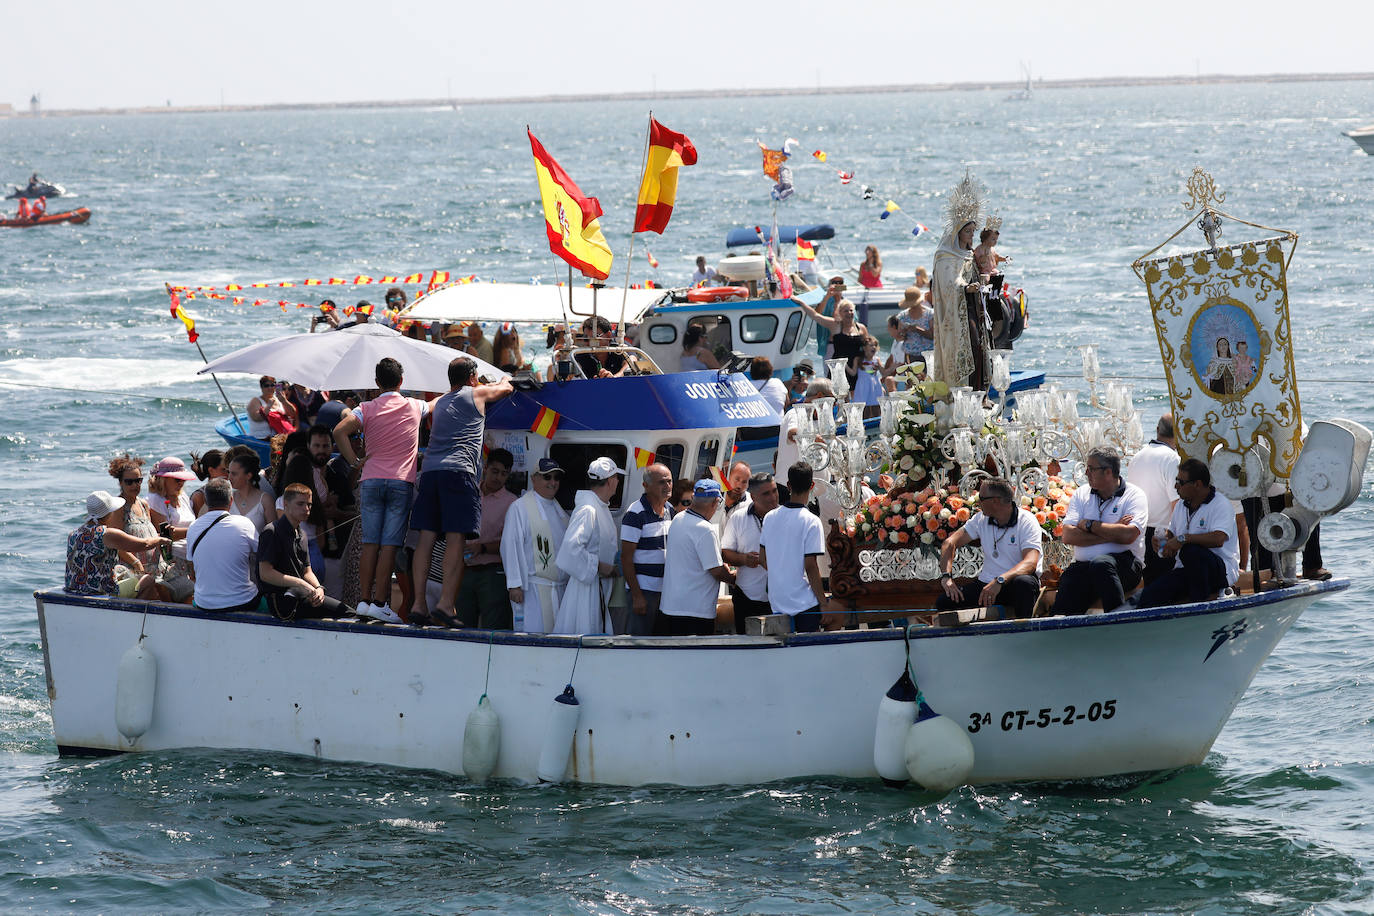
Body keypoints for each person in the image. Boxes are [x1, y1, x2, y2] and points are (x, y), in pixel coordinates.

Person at [405, 357, 514, 627]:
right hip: (459, 473)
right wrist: (504, 378)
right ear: (473, 377)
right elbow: (507, 389)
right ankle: (445, 605)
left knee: (426, 538)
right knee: (456, 538)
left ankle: (418, 604)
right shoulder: (476, 392)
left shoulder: (441, 402)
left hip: (430, 473)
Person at [333, 358, 429, 624]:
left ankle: (364, 601)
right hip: (400, 481)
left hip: (371, 479)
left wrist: (354, 461)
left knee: (370, 544)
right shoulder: (414, 406)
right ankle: (380, 603)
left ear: (377, 383)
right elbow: (434, 405)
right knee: (389, 546)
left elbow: (339, 431)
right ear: (401, 381)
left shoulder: (366, 408)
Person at [1050, 447, 1149, 615]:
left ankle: (1119, 620)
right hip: (1085, 567)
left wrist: (1090, 525)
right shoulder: (1082, 494)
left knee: (1101, 564)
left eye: (1091, 469)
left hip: (1125, 565)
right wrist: (1112, 531)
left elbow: (1128, 535)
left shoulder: (1134, 495)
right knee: (1071, 577)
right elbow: (1067, 535)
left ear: (1108, 472)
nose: (1086, 473)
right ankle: (1060, 629)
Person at [1138, 458, 1240, 608]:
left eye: (1180, 482)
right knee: (1149, 596)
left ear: (1197, 484)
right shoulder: (1181, 505)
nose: (1175, 486)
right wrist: (1164, 543)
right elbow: (1172, 535)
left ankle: (1201, 602)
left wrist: (1184, 539)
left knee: (1190, 551)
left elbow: (1219, 538)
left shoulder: (1220, 504)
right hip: (1186, 570)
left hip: (1219, 571)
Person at [937, 477, 1043, 620]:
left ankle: (1023, 633)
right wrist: (946, 577)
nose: (978, 502)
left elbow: (1030, 563)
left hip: (1013, 583)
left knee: (1023, 583)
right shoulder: (980, 519)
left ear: (995, 501)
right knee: (945, 601)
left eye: (981, 498)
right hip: (986, 585)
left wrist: (1000, 580)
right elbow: (949, 543)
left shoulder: (1027, 520)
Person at [257, 483, 352, 620]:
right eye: (300, 504)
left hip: (300, 594)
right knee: (345, 613)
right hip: (281, 601)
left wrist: (319, 588)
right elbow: (265, 573)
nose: (306, 509)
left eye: (309, 505)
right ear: (286, 504)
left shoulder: (302, 534)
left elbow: (307, 571)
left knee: (347, 612)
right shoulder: (272, 531)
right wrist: (300, 583)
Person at [553, 457, 624, 634]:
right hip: (587, 591)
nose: (618, 481)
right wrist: (600, 567)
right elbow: (570, 551)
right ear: (609, 481)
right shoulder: (588, 510)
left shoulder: (599, 507)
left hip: (596, 587)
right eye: (616, 477)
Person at [501, 458, 571, 633]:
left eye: (556, 478)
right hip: (532, 590)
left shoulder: (558, 509)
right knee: (533, 636)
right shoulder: (520, 508)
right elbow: (510, 545)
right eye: (547, 477)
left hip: (559, 589)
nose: (553, 482)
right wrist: (514, 584)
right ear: (534, 478)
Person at [759, 462, 828, 632]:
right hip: (805, 604)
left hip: (777, 603)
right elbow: (811, 566)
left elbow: (762, 559)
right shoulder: (812, 521)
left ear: (788, 485)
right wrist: (824, 603)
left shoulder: (769, 517)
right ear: (812, 485)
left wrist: (781, 573)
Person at [659, 480, 736, 636]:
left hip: (670, 608)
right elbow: (716, 571)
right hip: (695, 614)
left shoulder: (677, 519)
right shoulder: (705, 530)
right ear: (716, 502)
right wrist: (737, 577)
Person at [454, 448, 518, 629]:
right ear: (485, 467)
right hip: (464, 570)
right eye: (495, 471)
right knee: (463, 627)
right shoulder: (469, 493)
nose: (498, 478)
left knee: (494, 629)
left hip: (494, 573)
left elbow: (511, 543)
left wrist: (481, 548)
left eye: (504, 474)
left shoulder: (512, 503)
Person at [66, 491, 167, 598]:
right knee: (148, 580)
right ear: (109, 513)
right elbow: (144, 544)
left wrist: (135, 562)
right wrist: (160, 540)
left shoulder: (74, 534)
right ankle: (132, 611)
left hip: (74, 588)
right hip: (102, 591)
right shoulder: (108, 534)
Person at [185, 479, 260, 614]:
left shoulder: (193, 527)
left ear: (206, 502)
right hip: (243, 601)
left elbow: (192, 570)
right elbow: (262, 554)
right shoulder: (244, 523)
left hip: (204, 602)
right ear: (231, 501)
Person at [620, 462, 674, 637]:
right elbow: (626, 559)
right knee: (639, 642)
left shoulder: (670, 510)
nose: (667, 486)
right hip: (644, 593)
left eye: (669, 481)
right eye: (661, 482)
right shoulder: (635, 514)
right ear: (646, 486)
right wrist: (637, 596)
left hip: (665, 592)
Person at [1126, 415, 1181, 585]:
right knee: (1165, 585)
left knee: (1150, 582)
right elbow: (1177, 503)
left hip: (1139, 530)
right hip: (1163, 532)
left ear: (1158, 430)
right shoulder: (1172, 459)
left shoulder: (1137, 457)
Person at [721, 471, 778, 631]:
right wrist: (744, 560)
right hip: (747, 597)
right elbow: (725, 553)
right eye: (766, 493)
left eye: (774, 491)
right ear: (753, 497)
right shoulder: (738, 518)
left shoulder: (785, 518)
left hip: (780, 597)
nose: (773, 497)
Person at [931, 212, 979, 387]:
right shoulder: (944, 256)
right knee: (971, 342)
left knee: (980, 347)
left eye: (973, 231)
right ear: (957, 233)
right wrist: (965, 287)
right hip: (956, 312)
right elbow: (948, 283)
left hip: (973, 307)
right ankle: (960, 391)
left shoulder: (970, 254)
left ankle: (979, 391)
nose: (972, 235)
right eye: (968, 231)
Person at [147, 456, 199, 603]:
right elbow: (166, 535)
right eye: (177, 480)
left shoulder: (182, 497)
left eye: (183, 480)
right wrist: (197, 531)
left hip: (191, 558)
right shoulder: (155, 500)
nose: (181, 483)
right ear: (163, 480)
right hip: (171, 561)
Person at [107, 454, 158, 594]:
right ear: (120, 483)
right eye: (129, 482)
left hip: (153, 568)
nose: (135, 485)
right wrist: (136, 563)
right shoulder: (119, 507)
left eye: (138, 481)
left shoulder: (144, 504)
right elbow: (115, 543)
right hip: (131, 569)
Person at [795, 296, 867, 392]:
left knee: (856, 394)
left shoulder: (861, 328)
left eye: (851, 310)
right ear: (840, 313)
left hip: (855, 366)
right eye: (846, 311)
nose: (849, 313)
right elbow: (816, 316)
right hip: (838, 367)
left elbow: (868, 348)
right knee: (837, 395)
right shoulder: (835, 325)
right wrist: (801, 302)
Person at [226, 450, 277, 533]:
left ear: (248, 476)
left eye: (234, 474)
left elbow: (273, 534)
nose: (229, 477)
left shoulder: (265, 500)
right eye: (229, 472)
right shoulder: (228, 498)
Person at [897, 286, 934, 363]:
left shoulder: (929, 314)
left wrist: (916, 329)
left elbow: (932, 336)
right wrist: (903, 333)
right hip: (910, 356)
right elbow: (899, 337)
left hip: (927, 356)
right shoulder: (903, 316)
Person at [811, 276, 846, 359]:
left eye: (840, 283)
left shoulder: (846, 303)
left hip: (844, 343)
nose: (837, 285)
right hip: (828, 344)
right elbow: (817, 314)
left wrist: (838, 300)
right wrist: (828, 296)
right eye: (834, 283)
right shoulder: (825, 300)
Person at [188, 448, 228, 516]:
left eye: (228, 470)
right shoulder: (199, 496)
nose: (228, 474)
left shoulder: (229, 492)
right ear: (211, 470)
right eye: (223, 470)